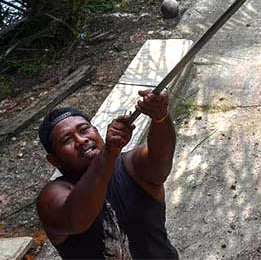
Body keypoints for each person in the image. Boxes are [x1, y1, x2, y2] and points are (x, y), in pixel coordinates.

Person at [36, 90, 178, 259]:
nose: (81, 140)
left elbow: (160, 163)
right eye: (67, 140)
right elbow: (78, 219)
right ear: (54, 160)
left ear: (96, 131)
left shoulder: (132, 165)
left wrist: (160, 116)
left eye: (84, 130)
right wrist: (109, 152)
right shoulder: (52, 198)